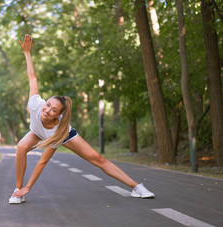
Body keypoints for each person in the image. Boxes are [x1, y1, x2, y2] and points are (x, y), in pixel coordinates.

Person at [9, 34, 155, 204]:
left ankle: (137, 187)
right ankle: (17, 191)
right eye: (48, 104)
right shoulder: (35, 103)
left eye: (53, 110)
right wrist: (27, 53)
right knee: (21, 147)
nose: (47, 110)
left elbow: (42, 162)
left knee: (97, 159)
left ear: (59, 115)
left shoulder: (60, 130)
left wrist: (30, 186)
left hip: (61, 135)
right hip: (37, 132)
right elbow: (32, 77)